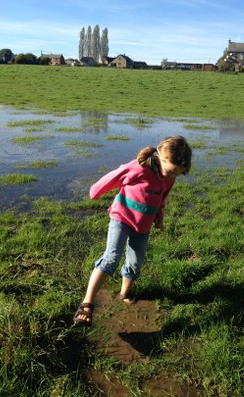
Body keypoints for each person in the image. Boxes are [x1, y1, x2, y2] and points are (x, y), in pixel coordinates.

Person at [73, 135, 192, 326]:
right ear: (161, 157)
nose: (172, 176)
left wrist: (158, 217)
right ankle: (87, 304)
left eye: (177, 174)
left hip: (142, 226)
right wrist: (95, 191)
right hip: (122, 218)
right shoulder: (138, 168)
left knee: (135, 263)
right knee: (111, 258)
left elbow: (160, 199)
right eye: (171, 171)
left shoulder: (168, 179)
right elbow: (114, 177)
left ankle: (124, 294)